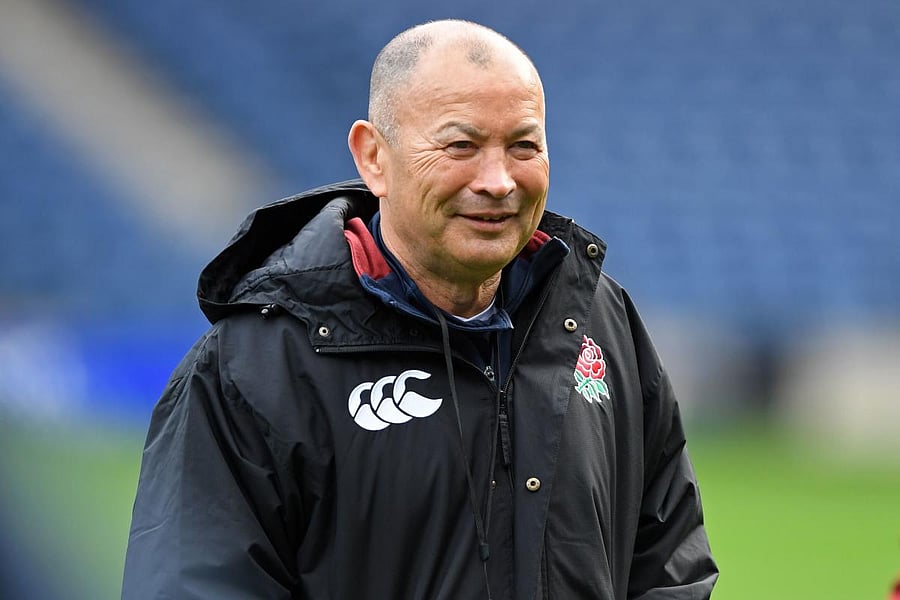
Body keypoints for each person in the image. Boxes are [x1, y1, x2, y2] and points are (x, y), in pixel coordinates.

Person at [122, 19, 717, 600]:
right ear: (373, 156)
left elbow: (670, 562)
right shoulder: (252, 368)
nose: (498, 180)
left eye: (523, 146)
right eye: (461, 145)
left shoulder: (601, 321)